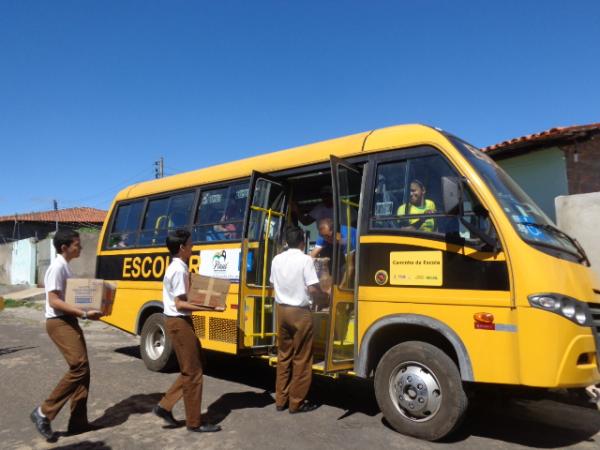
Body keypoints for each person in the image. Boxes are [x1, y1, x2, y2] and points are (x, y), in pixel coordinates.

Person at [30, 230, 104, 441]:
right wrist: (84, 313)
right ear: (64, 247)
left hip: (68, 321)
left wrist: (91, 310)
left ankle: (78, 423)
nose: (80, 248)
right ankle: (44, 412)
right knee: (79, 366)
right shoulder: (56, 267)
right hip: (58, 322)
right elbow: (54, 301)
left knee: (84, 371)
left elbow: (70, 298)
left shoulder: (65, 267)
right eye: (77, 245)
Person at [153, 229, 225, 433]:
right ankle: (194, 423)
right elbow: (180, 304)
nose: (193, 247)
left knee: (195, 364)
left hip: (180, 321)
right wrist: (211, 308)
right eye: (191, 244)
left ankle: (164, 406)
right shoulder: (178, 270)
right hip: (178, 321)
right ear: (182, 247)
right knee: (193, 371)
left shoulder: (180, 267)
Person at [270, 226, 322, 413]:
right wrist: (323, 298)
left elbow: (272, 283)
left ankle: (280, 400)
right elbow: (313, 289)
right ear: (302, 242)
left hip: (281, 311)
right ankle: (296, 402)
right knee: (301, 358)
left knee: (284, 356)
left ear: (286, 242)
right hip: (300, 313)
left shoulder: (276, 259)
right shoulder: (305, 260)